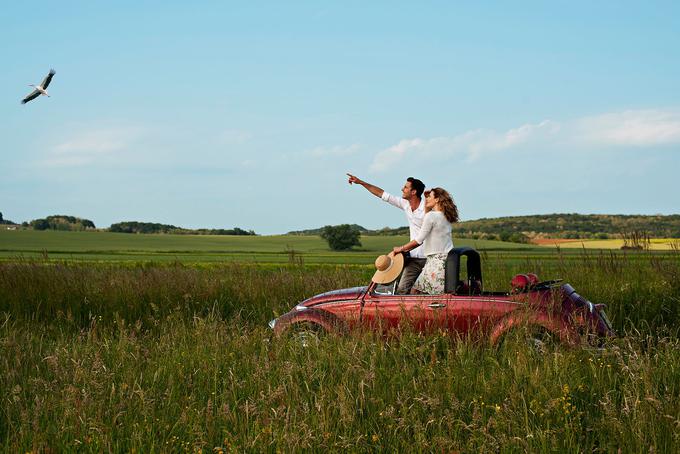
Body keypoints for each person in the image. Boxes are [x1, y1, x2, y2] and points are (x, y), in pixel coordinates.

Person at [347, 173, 426, 294]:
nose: (402, 189)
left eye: (405, 187)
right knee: (402, 290)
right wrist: (361, 182)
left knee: (422, 291)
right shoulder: (405, 204)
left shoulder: (428, 209)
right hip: (414, 258)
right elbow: (381, 193)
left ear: (414, 192)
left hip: (430, 257)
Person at [392, 188, 459, 294]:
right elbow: (427, 217)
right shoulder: (445, 216)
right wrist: (425, 199)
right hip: (446, 259)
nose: (426, 199)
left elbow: (419, 240)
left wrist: (401, 248)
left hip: (435, 262)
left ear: (437, 199)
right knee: (427, 292)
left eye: (429, 197)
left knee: (418, 292)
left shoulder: (432, 216)